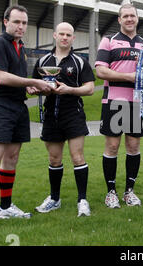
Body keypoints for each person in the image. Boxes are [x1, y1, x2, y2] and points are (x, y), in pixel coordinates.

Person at [0, 5, 53, 239]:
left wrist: (30, 87)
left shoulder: (21, 47)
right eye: (16, 21)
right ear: (5, 21)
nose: (21, 26)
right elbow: (1, 77)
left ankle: (5, 207)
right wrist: (34, 81)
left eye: (24, 23)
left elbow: (14, 81)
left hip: (17, 106)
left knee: (11, 159)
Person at [30, 22, 95, 217]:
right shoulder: (43, 62)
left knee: (77, 157)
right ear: (54, 35)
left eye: (69, 34)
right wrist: (35, 89)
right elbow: (34, 85)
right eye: (62, 34)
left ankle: (82, 200)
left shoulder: (79, 62)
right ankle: (54, 199)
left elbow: (90, 88)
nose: (65, 37)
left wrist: (70, 90)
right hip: (51, 115)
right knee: (54, 158)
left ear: (73, 38)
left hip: (73, 114)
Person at [95, 4, 143, 208]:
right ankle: (111, 192)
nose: (129, 19)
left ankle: (129, 192)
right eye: (125, 16)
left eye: (133, 16)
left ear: (137, 19)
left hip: (137, 102)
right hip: (114, 100)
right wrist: (129, 77)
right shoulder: (108, 41)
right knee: (112, 146)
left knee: (134, 146)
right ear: (119, 20)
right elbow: (101, 72)